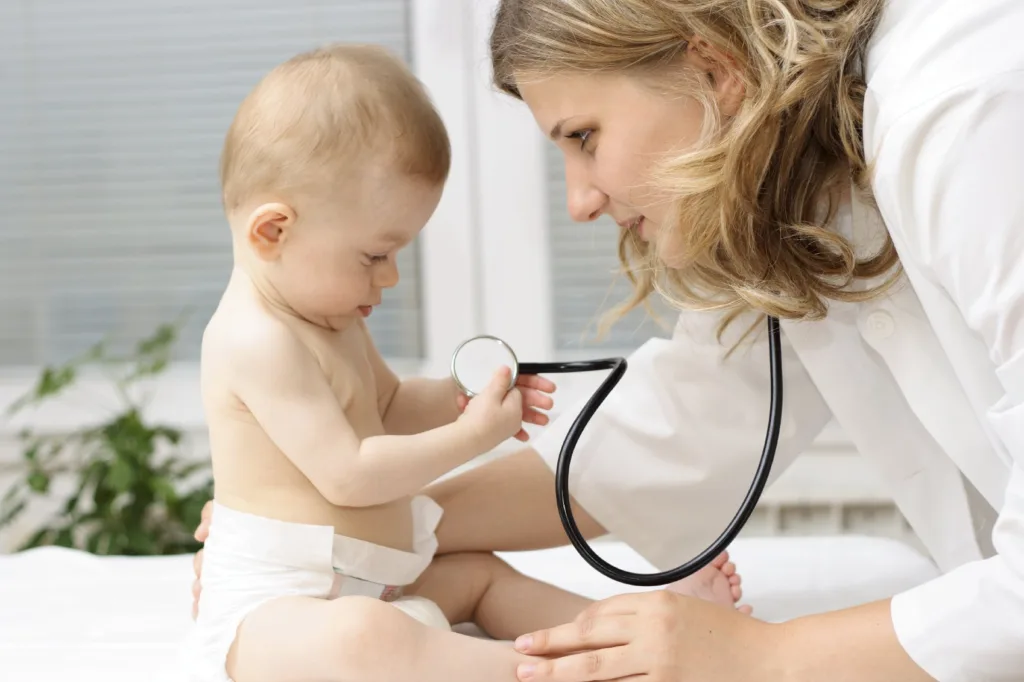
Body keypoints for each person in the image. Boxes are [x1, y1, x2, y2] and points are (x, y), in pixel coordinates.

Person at [192, 0, 1024, 678]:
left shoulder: (970, 109)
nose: (580, 202)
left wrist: (764, 659)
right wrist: (332, 542)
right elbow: (681, 432)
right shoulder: (797, 181)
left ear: (714, 67)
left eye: (583, 138)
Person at [184, 42, 746, 682]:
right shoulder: (256, 340)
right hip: (280, 614)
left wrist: (463, 394)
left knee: (480, 576)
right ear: (273, 232)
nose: (390, 277)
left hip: (381, 580)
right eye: (374, 256)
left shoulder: (328, 318)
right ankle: (564, 670)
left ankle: (629, 633)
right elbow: (350, 476)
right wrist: (473, 435)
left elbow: (389, 410)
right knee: (363, 638)